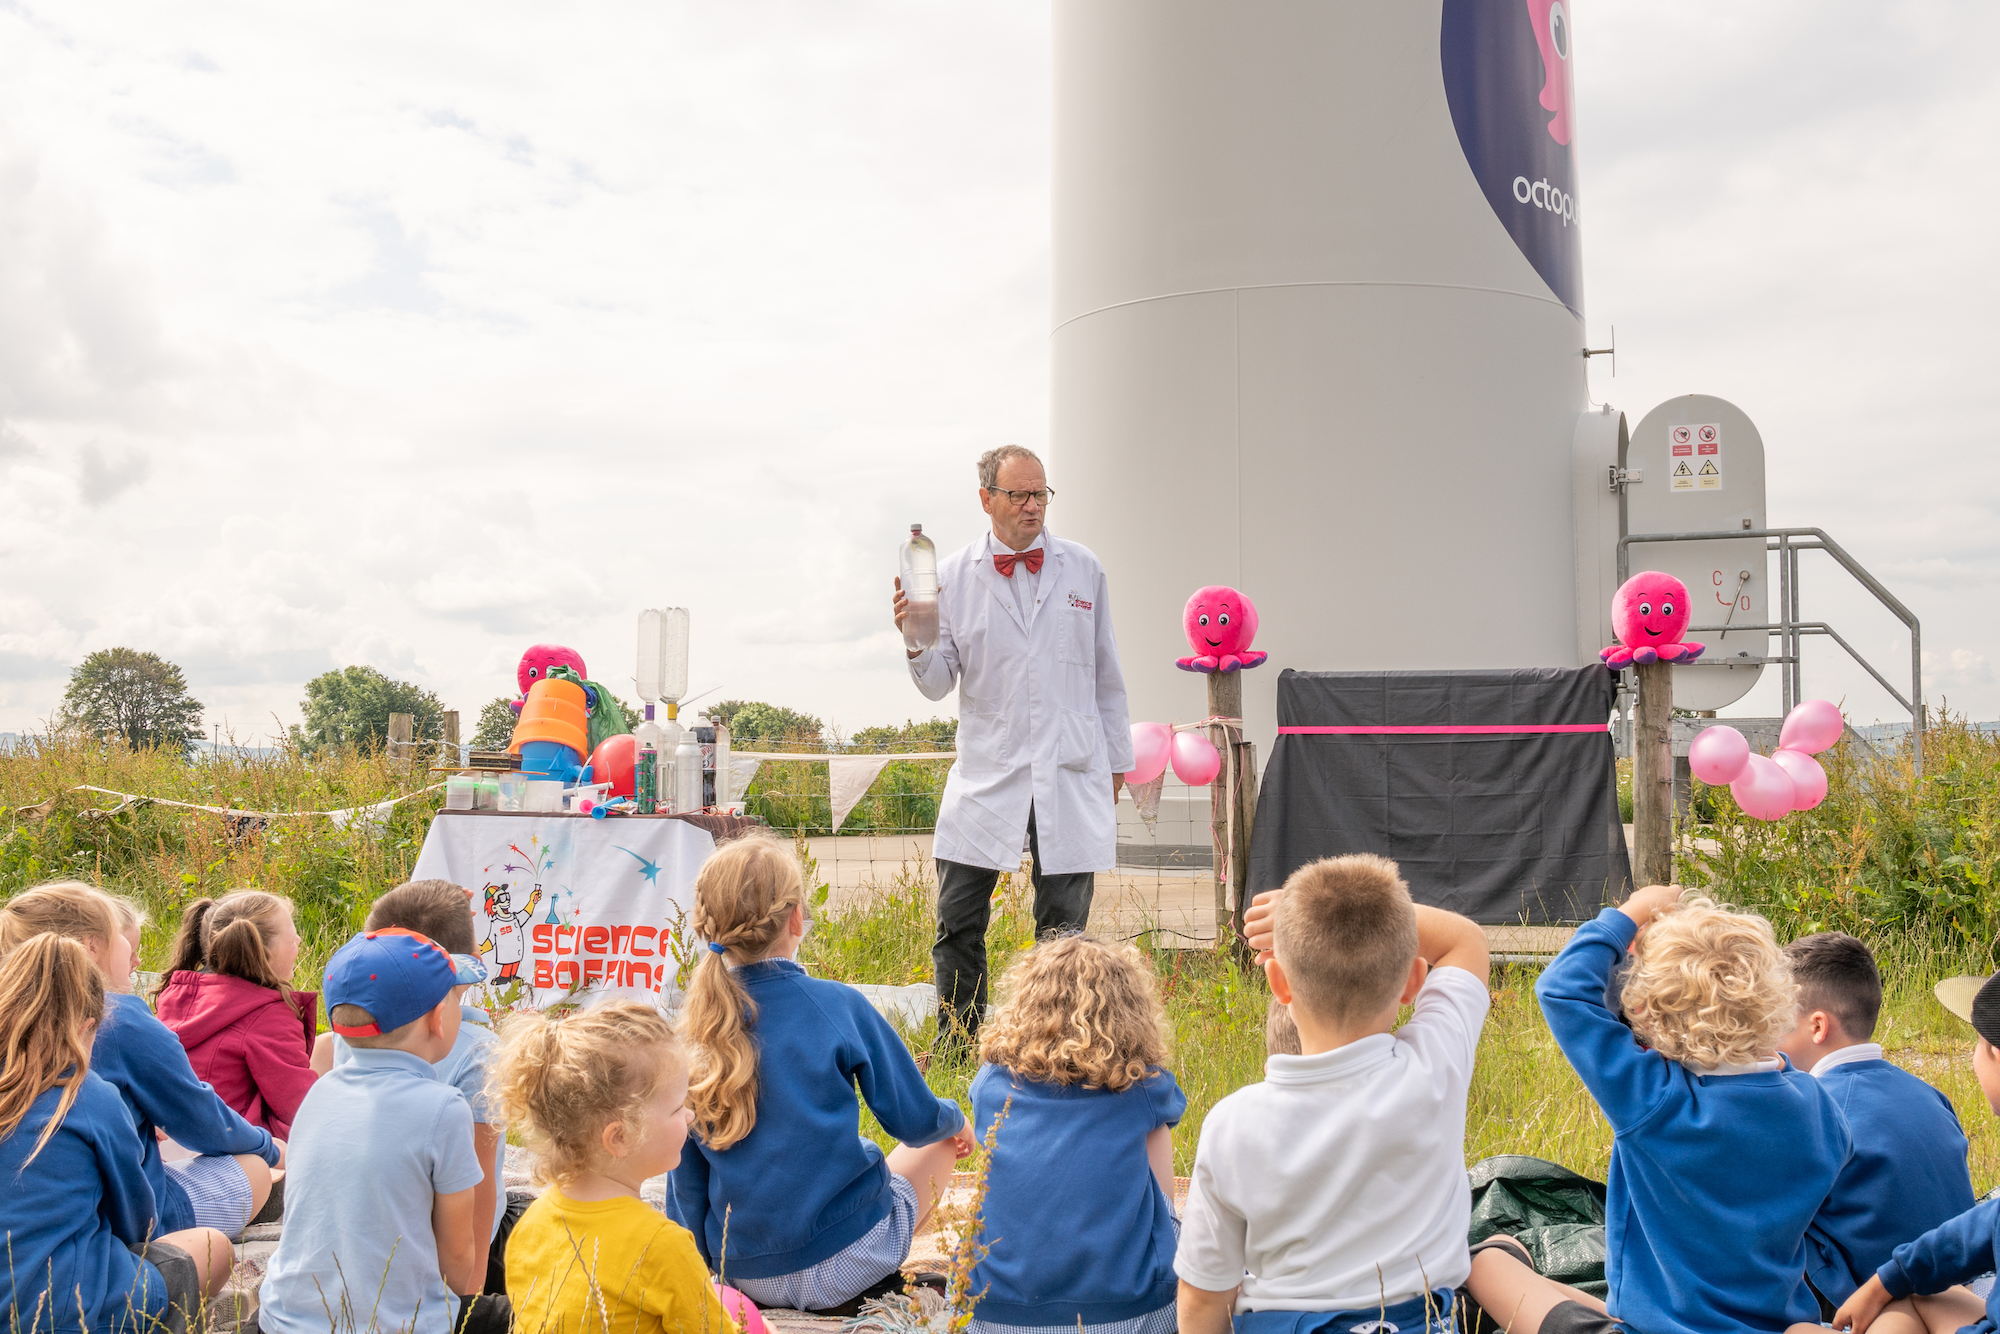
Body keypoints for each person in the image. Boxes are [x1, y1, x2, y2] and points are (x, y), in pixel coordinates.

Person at [1464, 886, 1851, 1334]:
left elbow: (1562, 990)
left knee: (1486, 1264)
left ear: (1649, 1016)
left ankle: (1506, 1257)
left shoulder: (1657, 1100)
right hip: (1776, 1324)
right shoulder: (1817, 1104)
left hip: (1650, 1327)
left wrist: (1633, 910)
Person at [1177, 854, 1490, 1334]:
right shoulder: (1436, 1068)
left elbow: (1202, 1298)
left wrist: (1301, 918)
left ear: (1278, 982)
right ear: (1413, 981)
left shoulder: (1231, 1123)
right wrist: (1371, 918)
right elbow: (1466, 940)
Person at [668, 834, 974, 1316]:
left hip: (745, 1271)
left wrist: (708, 1271)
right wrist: (956, 1120)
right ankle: (874, 1285)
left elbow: (684, 1180)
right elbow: (916, 1121)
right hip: (846, 1262)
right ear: (795, 918)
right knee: (941, 1140)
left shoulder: (693, 1034)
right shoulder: (838, 1004)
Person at [892, 443, 1134, 1045]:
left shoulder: (1083, 568)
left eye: (1040, 494)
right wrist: (915, 641)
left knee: (1064, 931)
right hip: (988, 771)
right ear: (986, 499)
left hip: (1070, 767)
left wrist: (1116, 764)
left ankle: (1056, 1048)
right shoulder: (951, 577)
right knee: (957, 921)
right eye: (1020, 494)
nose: (1033, 506)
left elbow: (1106, 672)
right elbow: (938, 683)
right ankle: (958, 1042)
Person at [0, 882, 280, 1239]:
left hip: (35, 1208)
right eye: (121, 937)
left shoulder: (11, 1014)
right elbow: (200, 1118)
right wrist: (267, 1146)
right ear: (91, 946)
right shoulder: (120, 1018)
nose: (136, 958)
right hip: (115, 1212)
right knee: (253, 1167)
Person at [258, 927, 501, 1334]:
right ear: (438, 1020)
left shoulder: (319, 1092)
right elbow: (457, 1261)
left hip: (282, 1320)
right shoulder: (444, 1109)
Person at [0, 931, 234, 1334]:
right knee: (212, 1248)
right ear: (87, 1026)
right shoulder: (86, 1096)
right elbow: (138, 1223)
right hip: (68, 1309)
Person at [966, 934, 1184, 1334]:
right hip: (1130, 1313)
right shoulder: (1145, 1089)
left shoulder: (991, 1084)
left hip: (989, 1313)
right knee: (1157, 1140)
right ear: (1130, 1013)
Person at [310, 879, 516, 1298]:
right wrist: (470, 1304)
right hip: (437, 1261)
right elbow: (478, 1195)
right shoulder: (480, 1054)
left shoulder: (350, 1042)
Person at [494, 999, 745, 1334]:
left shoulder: (532, 1223)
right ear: (620, 1137)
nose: (690, 1115)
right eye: (677, 1107)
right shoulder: (662, 1245)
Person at [1776, 932, 1974, 1312]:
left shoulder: (1810, 1110)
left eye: (1776, 1022)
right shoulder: (1929, 1094)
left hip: (1874, 1302)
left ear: (1817, 1027)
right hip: (1955, 1289)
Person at [1825, 966, 2000, 1334]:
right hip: (1961, 1294)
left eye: (1976, 1043)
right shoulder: (1928, 1095)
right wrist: (1887, 1280)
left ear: (1995, 1054)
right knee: (1918, 1293)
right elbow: (1985, 1223)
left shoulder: (1824, 1109)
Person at [154, 891, 318, 1140]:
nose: (298, 940)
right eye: (292, 936)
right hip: (231, 1146)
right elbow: (300, 1112)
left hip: (171, 1140)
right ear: (263, 950)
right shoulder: (268, 1016)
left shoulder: (178, 996)